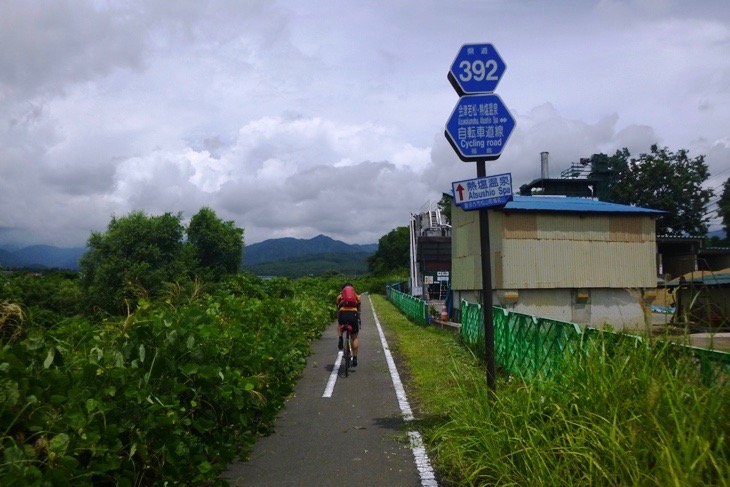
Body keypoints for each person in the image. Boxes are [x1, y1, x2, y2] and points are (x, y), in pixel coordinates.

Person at [336, 282, 361, 366]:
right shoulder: (356, 296)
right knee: (354, 337)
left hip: (343, 315)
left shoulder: (340, 297)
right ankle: (355, 358)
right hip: (353, 316)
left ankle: (340, 337)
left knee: (340, 326)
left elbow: (338, 310)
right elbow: (359, 310)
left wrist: (339, 318)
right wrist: (358, 317)